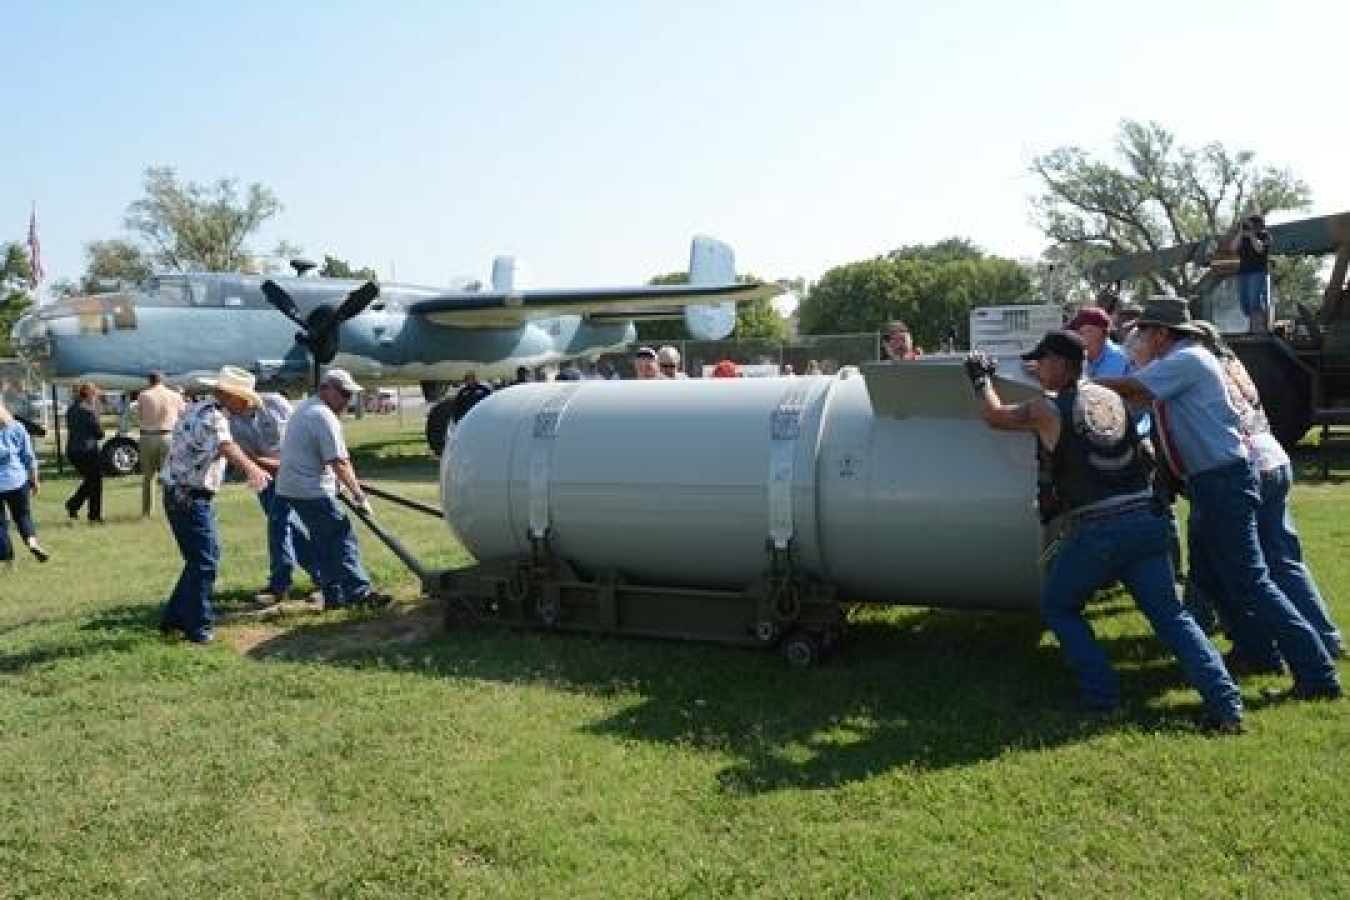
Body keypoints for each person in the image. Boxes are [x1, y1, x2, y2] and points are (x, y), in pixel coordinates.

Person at [963, 329, 1244, 731]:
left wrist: (979, 377)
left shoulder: (1048, 408)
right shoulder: (1113, 399)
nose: (1037, 369)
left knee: (1058, 606)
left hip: (1099, 530)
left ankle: (1103, 697)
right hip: (1147, 524)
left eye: (1041, 362)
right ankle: (1226, 705)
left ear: (1060, 365)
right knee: (1171, 616)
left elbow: (995, 416)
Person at [1097, 296, 1341, 703]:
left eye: (1144, 331)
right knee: (1212, 578)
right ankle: (1257, 653)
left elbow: (1133, 388)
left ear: (1161, 333)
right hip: (1214, 482)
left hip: (1224, 481)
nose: (1139, 338)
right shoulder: (1184, 359)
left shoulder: (1186, 359)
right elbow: (1134, 400)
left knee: (1253, 580)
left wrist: (1079, 387)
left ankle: (1317, 673)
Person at [1189, 320, 1343, 667]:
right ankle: (1326, 637)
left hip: (1249, 467)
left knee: (1243, 570)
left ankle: (1263, 648)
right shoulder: (1233, 366)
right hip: (1274, 458)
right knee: (1284, 561)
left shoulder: (1200, 371)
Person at [158, 366, 271, 644]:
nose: (247, 404)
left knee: (199, 560)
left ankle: (174, 618)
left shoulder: (198, 409)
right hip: (189, 496)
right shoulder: (213, 416)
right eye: (244, 398)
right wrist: (253, 470)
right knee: (205, 561)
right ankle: (198, 626)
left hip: (181, 493)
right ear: (231, 395)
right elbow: (226, 446)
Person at [276, 368, 392, 610]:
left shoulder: (307, 408)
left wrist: (341, 485)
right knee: (342, 537)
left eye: (349, 394)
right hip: (310, 488)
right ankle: (359, 592)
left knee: (322, 540)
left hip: (294, 487)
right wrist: (359, 495)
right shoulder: (322, 415)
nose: (347, 399)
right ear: (326, 390)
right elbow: (339, 461)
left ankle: (333, 595)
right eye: (344, 393)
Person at [226, 390, 321, 605]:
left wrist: (256, 461)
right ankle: (320, 575)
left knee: (281, 523)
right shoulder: (233, 422)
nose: (222, 401)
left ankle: (280, 584)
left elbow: (295, 441)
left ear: (240, 395)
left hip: (294, 471)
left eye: (225, 396)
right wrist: (256, 464)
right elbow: (246, 459)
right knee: (286, 525)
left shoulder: (275, 404)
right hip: (266, 477)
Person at [0, 399, 48, 566]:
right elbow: (29, 458)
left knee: (0, 525)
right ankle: (32, 543)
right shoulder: (17, 427)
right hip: (17, 481)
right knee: (23, 516)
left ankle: (8, 561)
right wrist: (35, 480)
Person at [135, 371, 186, 518]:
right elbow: (183, 414)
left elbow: (139, 416)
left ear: (149, 381)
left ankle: (147, 512)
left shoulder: (143, 395)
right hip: (168, 436)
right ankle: (171, 508)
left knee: (148, 477)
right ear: (162, 380)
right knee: (169, 476)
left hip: (148, 436)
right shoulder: (175, 395)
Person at [64, 381, 104, 524]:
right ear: (89, 395)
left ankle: (73, 504)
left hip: (73, 451)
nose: (96, 398)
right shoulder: (88, 411)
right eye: (95, 395)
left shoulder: (71, 409)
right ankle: (94, 516)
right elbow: (99, 434)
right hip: (87, 451)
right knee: (95, 482)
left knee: (91, 481)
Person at [1230, 214, 1272, 333]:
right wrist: (1240, 232)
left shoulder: (1265, 236)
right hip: (1243, 273)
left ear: (1257, 225)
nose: (1248, 227)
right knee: (1245, 304)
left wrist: (1252, 235)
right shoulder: (1242, 238)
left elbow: (1259, 249)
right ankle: (1253, 327)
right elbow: (1233, 248)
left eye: (1250, 224)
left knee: (1254, 301)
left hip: (1258, 272)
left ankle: (1259, 328)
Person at [1066, 308, 1131, 379]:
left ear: (1101, 332)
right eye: (1076, 331)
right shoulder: (1083, 352)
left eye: (1085, 331)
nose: (1077, 335)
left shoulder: (1115, 357)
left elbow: (1100, 388)